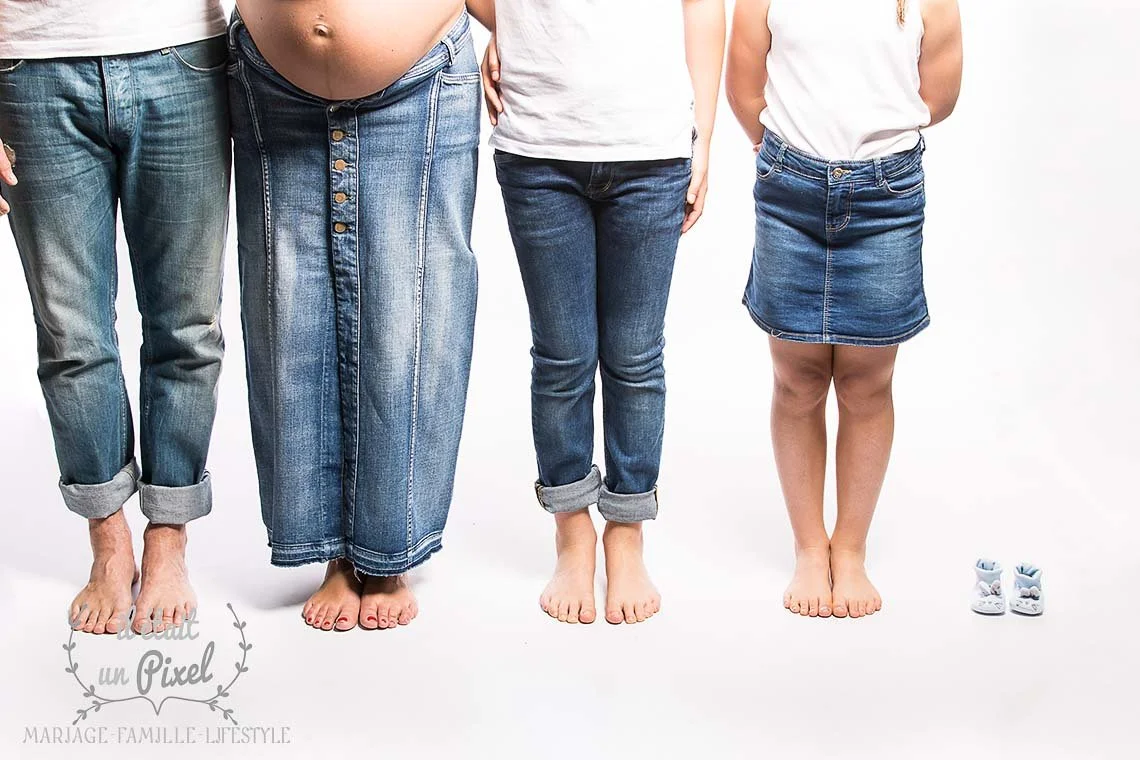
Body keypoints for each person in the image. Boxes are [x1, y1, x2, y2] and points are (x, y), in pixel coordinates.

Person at [229, 0, 494, 631]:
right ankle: (333, 556)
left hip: (418, 77)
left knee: (409, 317)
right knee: (288, 317)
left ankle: (388, 553)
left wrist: (513, 32)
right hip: (273, 84)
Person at [483, 0, 726, 624]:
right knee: (562, 356)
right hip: (538, 148)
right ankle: (571, 530)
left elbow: (703, 11)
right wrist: (507, 30)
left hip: (651, 148)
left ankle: (626, 528)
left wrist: (703, 138)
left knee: (635, 358)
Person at [0, 0, 230, 635]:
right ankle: (108, 540)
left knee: (187, 325)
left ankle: (169, 535)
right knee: (71, 334)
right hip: (30, 63)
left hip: (182, 52)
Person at [726, 0, 963, 618]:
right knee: (797, 379)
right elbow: (744, 85)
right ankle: (810, 547)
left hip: (887, 196)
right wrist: (795, 162)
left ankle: (850, 549)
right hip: (789, 194)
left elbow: (938, 96)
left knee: (867, 382)